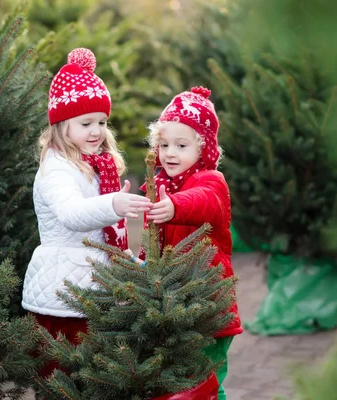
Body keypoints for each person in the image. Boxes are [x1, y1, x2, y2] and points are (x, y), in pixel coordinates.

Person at [21, 48, 152, 378]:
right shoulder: (57, 169)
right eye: (86, 123)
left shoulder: (94, 165)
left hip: (91, 284)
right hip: (62, 293)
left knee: (94, 377)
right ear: (61, 125)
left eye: (102, 122)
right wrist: (113, 206)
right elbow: (71, 214)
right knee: (64, 376)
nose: (97, 131)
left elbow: (103, 227)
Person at [138, 86, 243, 400]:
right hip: (174, 307)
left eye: (181, 145)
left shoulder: (210, 181)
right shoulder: (158, 185)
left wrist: (175, 206)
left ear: (203, 149)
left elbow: (206, 201)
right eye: (164, 144)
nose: (170, 153)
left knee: (206, 383)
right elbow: (150, 240)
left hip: (208, 307)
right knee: (180, 383)